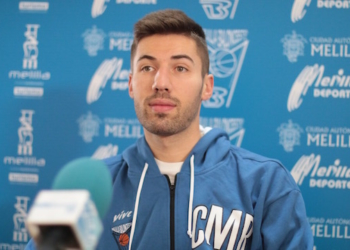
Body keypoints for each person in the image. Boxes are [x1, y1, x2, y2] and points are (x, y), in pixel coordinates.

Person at [26, 9, 313, 250]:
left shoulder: (266, 184)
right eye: (147, 68)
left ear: (207, 86)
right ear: (130, 84)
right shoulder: (89, 189)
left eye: (180, 68)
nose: (160, 82)